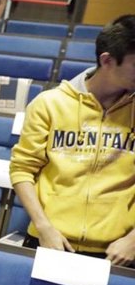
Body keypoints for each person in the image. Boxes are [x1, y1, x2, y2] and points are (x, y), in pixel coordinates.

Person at [10, 15, 135, 264]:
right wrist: (43, 227)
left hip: (119, 251)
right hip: (51, 241)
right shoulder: (50, 103)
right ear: (107, 60)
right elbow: (22, 170)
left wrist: (133, 240)